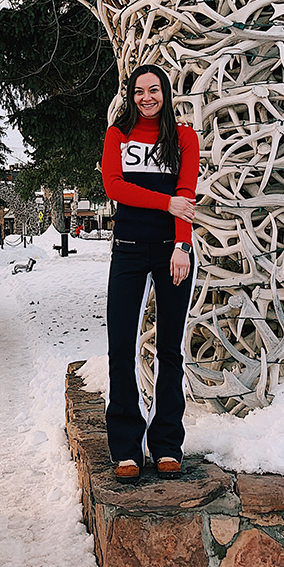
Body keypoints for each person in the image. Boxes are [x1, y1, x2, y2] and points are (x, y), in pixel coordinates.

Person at [101, 64, 200, 482]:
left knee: (170, 351)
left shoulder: (183, 137)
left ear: (165, 93)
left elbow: (186, 194)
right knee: (121, 346)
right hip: (127, 250)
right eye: (139, 91)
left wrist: (182, 245)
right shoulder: (117, 135)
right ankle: (126, 448)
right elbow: (114, 186)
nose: (146, 98)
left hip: (171, 252)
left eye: (154, 90)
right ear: (130, 94)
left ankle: (166, 445)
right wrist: (165, 205)